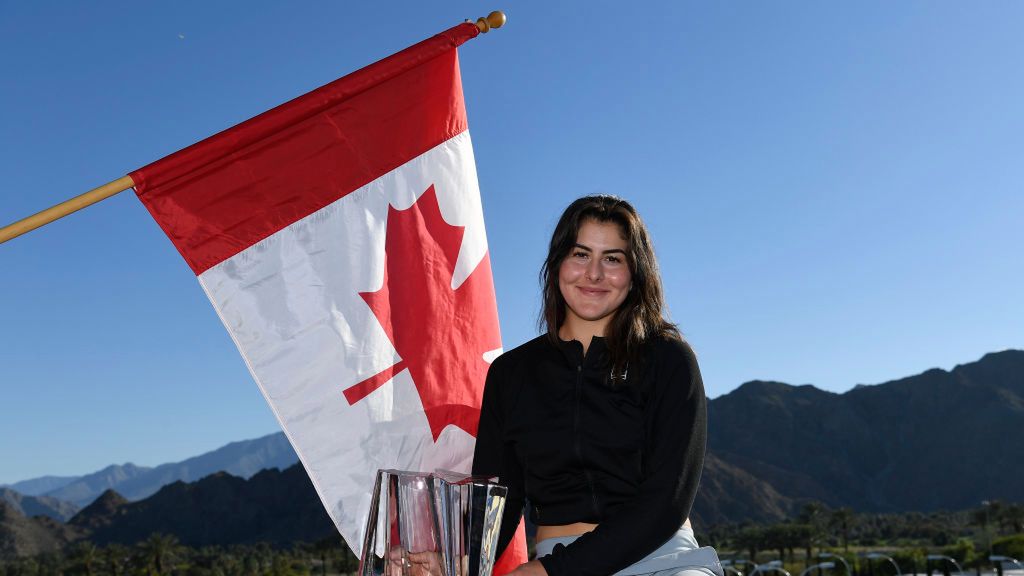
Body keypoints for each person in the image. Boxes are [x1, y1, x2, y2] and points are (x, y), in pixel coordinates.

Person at [472, 196, 722, 576]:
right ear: (557, 264)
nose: (593, 274)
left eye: (612, 258)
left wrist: (552, 571)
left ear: (635, 272)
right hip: (554, 555)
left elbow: (667, 502)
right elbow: (497, 501)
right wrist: (455, 557)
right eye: (580, 254)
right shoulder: (511, 373)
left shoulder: (669, 359)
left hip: (663, 558)